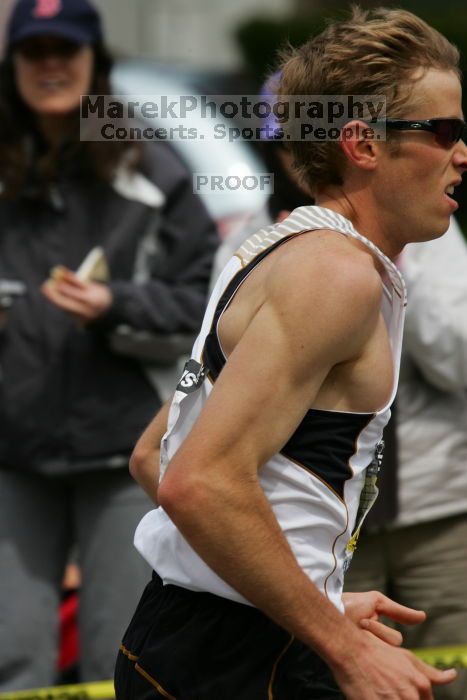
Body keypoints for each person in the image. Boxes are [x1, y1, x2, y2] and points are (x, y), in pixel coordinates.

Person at [115, 7, 467, 699]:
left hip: (213, 637)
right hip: (235, 659)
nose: (462, 152)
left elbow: (154, 453)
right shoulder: (331, 274)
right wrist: (341, 643)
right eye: (443, 130)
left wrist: (307, 598)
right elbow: (197, 482)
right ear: (362, 144)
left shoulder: (281, 245)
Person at [0, 0, 217, 691]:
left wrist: (113, 304)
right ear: (13, 65)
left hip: (127, 455)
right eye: (35, 51)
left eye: (66, 48)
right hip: (11, 455)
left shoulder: (154, 165)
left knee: (118, 657)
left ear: (96, 61)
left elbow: (209, 305)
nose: (51, 64)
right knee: (15, 658)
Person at [344, 217, 467, 700]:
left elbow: (459, 361)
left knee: (455, 680)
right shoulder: (261, 228)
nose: (459, 156)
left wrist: (395, 271)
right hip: (326, 520)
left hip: (436, 506)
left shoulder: (426, 224)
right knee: (343, 685)